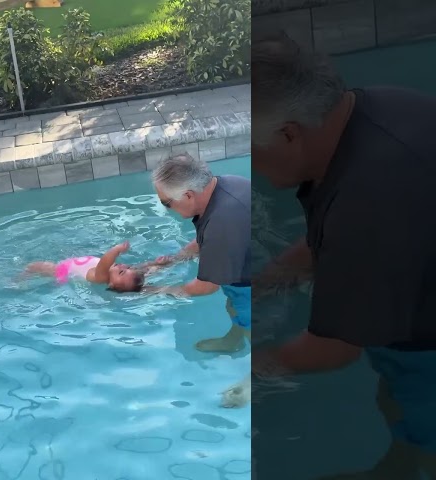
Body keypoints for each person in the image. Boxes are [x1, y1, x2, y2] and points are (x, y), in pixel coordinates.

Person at [251, 31, 436, 479]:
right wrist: (265, 282)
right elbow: (335, 241)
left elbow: (334, 348)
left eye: (250, 149)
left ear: (288, 134)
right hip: (419, 304)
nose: (250, 164)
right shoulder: (377, 108)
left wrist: (249, 369)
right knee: (395, 402)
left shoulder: (368, 198)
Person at [149, 154, 252, 353]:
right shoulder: (227, 184)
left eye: (166, 203)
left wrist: (155, 290)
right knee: (233, 307)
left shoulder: (221, 223)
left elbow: (206, 287)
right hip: (255, 265)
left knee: (252, 328)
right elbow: (208, 240)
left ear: (188, 195)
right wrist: (173, 260)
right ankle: (234, 341)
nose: (167, 209)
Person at [25, 240, 171, 293]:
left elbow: (104, 262)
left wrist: (116, 249)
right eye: (127, 268)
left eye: (121, 272)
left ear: (111, 284)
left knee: (34, 266)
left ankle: (19, 281)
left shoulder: (100, 277)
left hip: (63, 270)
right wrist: (155, 264)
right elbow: (141, 268)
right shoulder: (115, 271)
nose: (123, 266)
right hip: (76, 262)